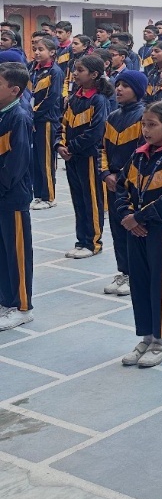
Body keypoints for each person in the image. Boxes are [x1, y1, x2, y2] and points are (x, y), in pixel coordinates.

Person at [115, 101, 162, 369]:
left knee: (160, 284)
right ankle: (146, 337)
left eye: (152, 125)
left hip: (160, 231)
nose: (145, 129)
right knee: (140, 283)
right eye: (144, 124)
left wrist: (139, 217)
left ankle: (161, 341)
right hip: (135, 230)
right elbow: (122, 188)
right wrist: (128, 217)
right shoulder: (138, 155)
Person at [59, 54, 111, 258]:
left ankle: (93, 242)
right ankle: (81, 240)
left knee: (91, 200)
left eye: (80, 70)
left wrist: (71, 147)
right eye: (74, 70)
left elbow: (96, 131)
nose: (75, 74)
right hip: (73, 157)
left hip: (88, 157)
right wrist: (60, 145)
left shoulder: (99, 100)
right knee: (78, 199)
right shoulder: (75, 97)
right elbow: (63, 123)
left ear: (94, 74)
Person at [100, 70, 147, 297]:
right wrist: (106, 173)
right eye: (117, 85)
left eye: (125, 86)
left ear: (137, 91)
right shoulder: (112, 116)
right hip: (112, 181)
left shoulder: (143, 117)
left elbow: (141, 152)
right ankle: (124, 271)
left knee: (133, 227)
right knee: (117, 228)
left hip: (131, 182)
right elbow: (103, 148)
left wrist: (122, 177)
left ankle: (136, 273)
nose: (118, 89)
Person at [0, 62, 34, 330]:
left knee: (17, 252)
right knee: (3, 251)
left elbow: (17, 161)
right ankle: (6, 300)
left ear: (14, 90)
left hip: (11, 196)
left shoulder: (19, 117)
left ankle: (22, 306)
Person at [29, 34, 64, 210]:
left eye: (41, 49)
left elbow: (53, 97)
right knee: (35, 159)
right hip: (33, 118)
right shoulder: (32, 69)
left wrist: (35, 114)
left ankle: (49, 196)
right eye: (35, 49)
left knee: (46, 159)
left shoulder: (55, 72)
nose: (36, 52)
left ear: (52, 52)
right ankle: (39, 194)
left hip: (47, 119)